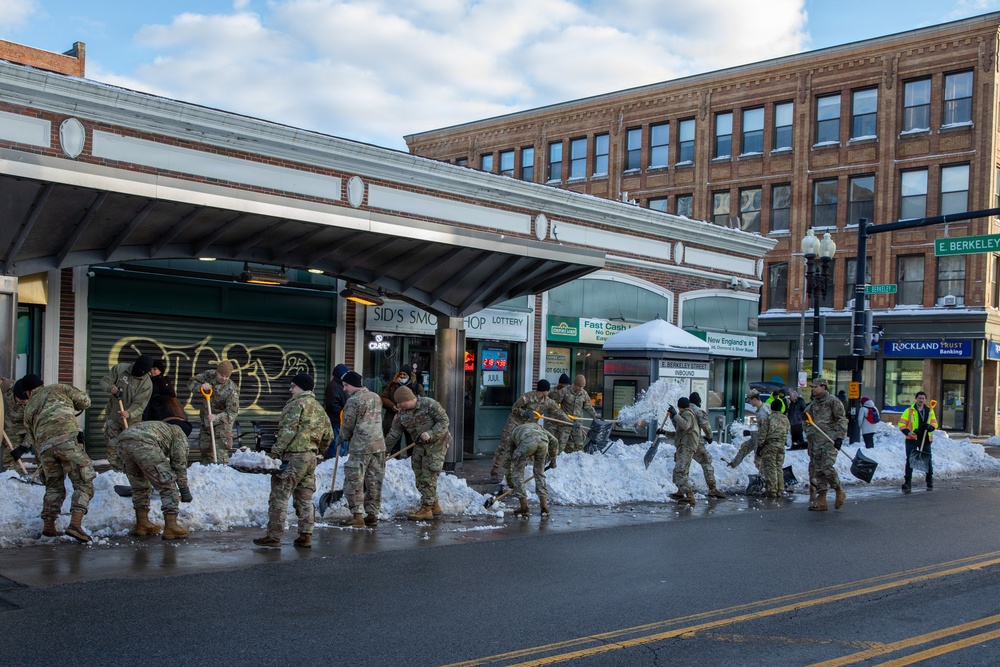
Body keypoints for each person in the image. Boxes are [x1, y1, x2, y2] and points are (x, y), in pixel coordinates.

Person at [254, 373, 333, 548]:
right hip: (310, 458)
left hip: (293, 457)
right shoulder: (319, 408)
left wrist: (275, 454)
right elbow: (329, 435)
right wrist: (317, 450)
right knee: (305, 496)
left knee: (279, 496)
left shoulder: (296, 405)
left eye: (293, 386)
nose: (290, 390)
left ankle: (274, 536)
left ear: (301, 386)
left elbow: (287, 433)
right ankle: (305, 535)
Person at [20, 378, 95, 542]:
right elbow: (85, 402)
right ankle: (75, 524)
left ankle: (49, 527)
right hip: (67, 440)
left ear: (27, 392)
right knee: (83, 481)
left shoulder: (28, 408)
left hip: (45, 448)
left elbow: (32, 438)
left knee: (53, 487)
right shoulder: (58, 388)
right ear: (41, 384)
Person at [116, 417, 193, 540]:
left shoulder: (158, 427)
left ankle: (142, 524)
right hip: (144, 442)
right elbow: (179, 464)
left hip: (123, 440)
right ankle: (171, 527)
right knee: (167, 483)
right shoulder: (179, 434)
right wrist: (184, 489)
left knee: (139, 485)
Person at [384, 385, 451, 520]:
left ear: (407, 399)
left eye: (400, 402)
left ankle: (426, 509)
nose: (398, 405)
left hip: (437, 444)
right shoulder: (402, 413)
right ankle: (434, 505)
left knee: (428, 475)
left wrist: (431, 433)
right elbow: (394, 433)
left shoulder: (429, 404)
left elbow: (444, 421)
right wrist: (383, 451)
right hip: (420, 444)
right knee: (418, 473)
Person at [490, 379, 568, 480]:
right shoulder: (527, 397)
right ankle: (495, 468)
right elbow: (514, 408)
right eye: (547, 390)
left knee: (530, 447)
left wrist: (570, 422)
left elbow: (558, 412)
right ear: (543, 390)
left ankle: (523, 473)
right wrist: (524, 412)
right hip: (515, 423)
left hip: (528, 427)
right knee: (505, 444)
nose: (548, 392)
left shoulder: (547, 401)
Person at [338, 371, 386, 528]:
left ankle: (357, 515)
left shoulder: (354, 400)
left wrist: (342, 437)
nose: (344, 389)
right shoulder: (376, 397)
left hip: (360, 446)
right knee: (374, 480)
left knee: (354, 480)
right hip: (378, 445)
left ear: (354, 385)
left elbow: (348, 424)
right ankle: (372, 514)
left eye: (346, 385)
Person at [99, 354, 154, 471]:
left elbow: (140, 404)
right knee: (112, 445)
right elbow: (104, 382)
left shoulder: (147, 384)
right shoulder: (120, 369)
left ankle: (131, 471)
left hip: (132, 420)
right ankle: (116, 471)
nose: (139, 372)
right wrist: (111, 388)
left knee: (130, 447)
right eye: (137, 369)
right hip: (113, 416)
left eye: (143, 372)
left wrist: (129, 413)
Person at [803, 378, 848, 511]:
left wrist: (840, 437)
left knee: (827, 467)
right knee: (818, 470)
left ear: (823, 387)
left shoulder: (833, 401)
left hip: (829, 440)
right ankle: (821, 499)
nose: (813, 389)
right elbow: (806, 417)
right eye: (812, 387)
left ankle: (839, 490)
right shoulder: (813, 403)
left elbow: (842, 419)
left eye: (815, 387)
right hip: (816, 441)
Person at [188, 359, 239, 464]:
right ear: (217, 372)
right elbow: (191, 383)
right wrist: (200, 386)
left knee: (220, 454)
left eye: (227, 376)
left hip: (222, 424)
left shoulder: (232, 389)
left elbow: (232, 413)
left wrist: (217, 417)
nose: (224, 378)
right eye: (222, 375)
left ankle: (221, 474)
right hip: (206, 420)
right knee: (205, 449)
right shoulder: (209, 375)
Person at [506, 421, 558, 516]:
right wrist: (553, 460)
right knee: (539, 474)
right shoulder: (539, 428)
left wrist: (510, 480)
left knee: (518, 474)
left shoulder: (514, 432)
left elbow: (509, 459)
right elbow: (554, 441)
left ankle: (524, 507)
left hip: (527, 443)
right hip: (543, 443)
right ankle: (544, 507)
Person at [688, 392, 726, 498]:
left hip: (683, 442)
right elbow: (706, 426)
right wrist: (709, 437)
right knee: (706, 462)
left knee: (683, 465)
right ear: (698, 401)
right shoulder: (698, 411)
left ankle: (681, 490)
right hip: (695, 442)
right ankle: (712, 488)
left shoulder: (683, 410)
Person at [898, 391, 938, 492]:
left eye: (923, 398)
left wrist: (930, 427)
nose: (921, 400)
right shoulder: (909, 411)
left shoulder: (930, 411)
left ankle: (929, 480)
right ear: (916, 399)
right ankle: (908, 482)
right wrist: (907, 433)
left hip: (925, 439)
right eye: (919, 398)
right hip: (912, 438)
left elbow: (934, 423)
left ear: (925, 400)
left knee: (927, 459)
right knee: (910, 460)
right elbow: (901, 424)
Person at [667, 397, 700, 505]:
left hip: (686, 446)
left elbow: (685, 426)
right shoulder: (686, 415)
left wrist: (675, 414)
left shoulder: (687, 414)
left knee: (679, 471)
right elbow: (679, 432)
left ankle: (690, 496)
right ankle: (680, 492)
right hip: (684, 445)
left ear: (679, 406)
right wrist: (664, 432)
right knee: (683, 471)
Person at [556, 375, 598, 455]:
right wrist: (561, 415)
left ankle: (580, 463)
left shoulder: (584, 394)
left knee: (579, 445)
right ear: (575, 384)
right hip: (565, 423)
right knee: (561, 445)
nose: (581, 388)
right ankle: (556, 463)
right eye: (579, 386)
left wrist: (595, 416)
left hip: (577, 424)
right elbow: (554, 404)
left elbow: (588, 407)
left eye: (583, 386)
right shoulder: (564, 391)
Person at [380, 367, 417, 456]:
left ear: (409, 376)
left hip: (410, 418)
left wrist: (409, 407)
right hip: (393, 416)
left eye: (405, 374)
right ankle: (393, 458)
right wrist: (392, 406)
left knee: (411, 440)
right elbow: (383, 398)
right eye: (401, 374)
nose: (402, 376)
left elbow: (419, 399)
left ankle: (411, 459)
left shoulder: (415, 386)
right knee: (393, 440)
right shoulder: (392, 386)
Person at [757, 398, 790, 497]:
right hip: (781, 445)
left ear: (771, 408)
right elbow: (787, 431)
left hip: (770, 445)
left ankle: (772, 490)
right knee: (779, 466)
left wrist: (760, 446)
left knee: (771, 467)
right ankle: (780, 489)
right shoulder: (785, 419)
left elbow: (763, 433)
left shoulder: (769, 418)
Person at [730, 391, 767, 473]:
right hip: (758, 435)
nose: (749, 403)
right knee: (745, 446)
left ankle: (765, 478)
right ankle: (733, 464)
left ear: (754, 399)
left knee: (758, 460)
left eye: (749, 400)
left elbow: (764, 431)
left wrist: (760, 445)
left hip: (762, 438)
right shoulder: (762, 408)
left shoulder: (762, 412)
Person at [2, 375, 30, 472]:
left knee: (43, 454)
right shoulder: (9, 386)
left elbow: (33, 429)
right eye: (22, 400)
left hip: (31, 427)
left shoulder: (35, 405)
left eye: (27, 399)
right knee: (9, 455)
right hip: (13, 425)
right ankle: (12, 476)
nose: (25, 402)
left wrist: (23, 447)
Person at [324, 363, 349, 458]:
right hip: (337, 421)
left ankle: (338, 462)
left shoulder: (341, 385)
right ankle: (334, 463)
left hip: (342, 421)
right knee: (337, 446)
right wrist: (343, 413)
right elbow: (332, 405)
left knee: (342, 445)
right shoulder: (333, 386)